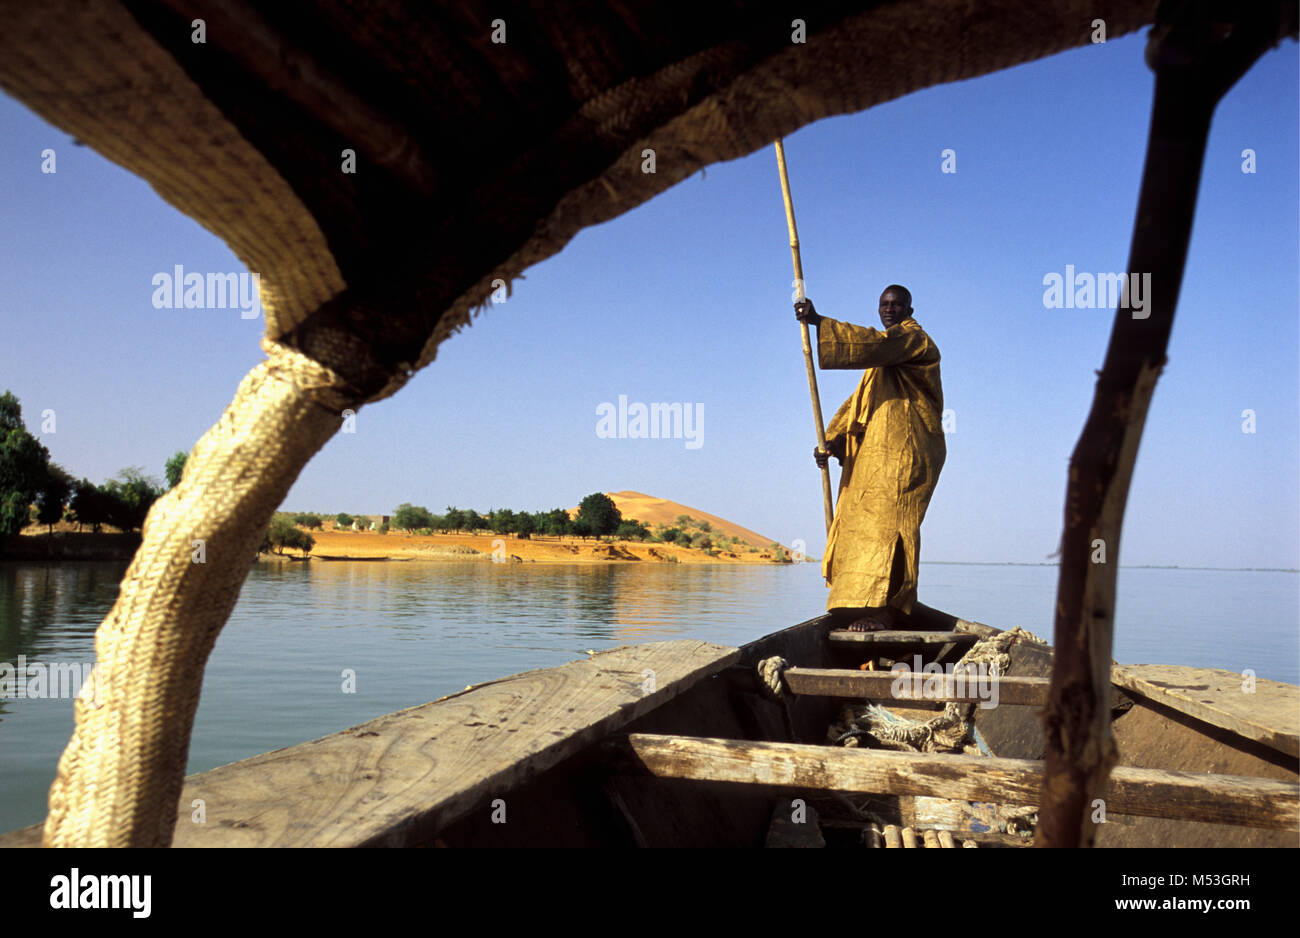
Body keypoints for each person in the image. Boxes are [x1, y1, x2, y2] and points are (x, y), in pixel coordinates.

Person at [795, 285, 945, 631]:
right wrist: (833, 443)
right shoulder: (882, 364)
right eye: (884, 304)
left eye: (896, 304)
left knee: (893, 525)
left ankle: (887, 610)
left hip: (908, 450)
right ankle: (856, 602)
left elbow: (877, 344)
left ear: (910, 308)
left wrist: (820, 322)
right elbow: (858, 408)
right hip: (876, 453)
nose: (889, 309)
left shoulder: (913, 341)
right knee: (857, 521)